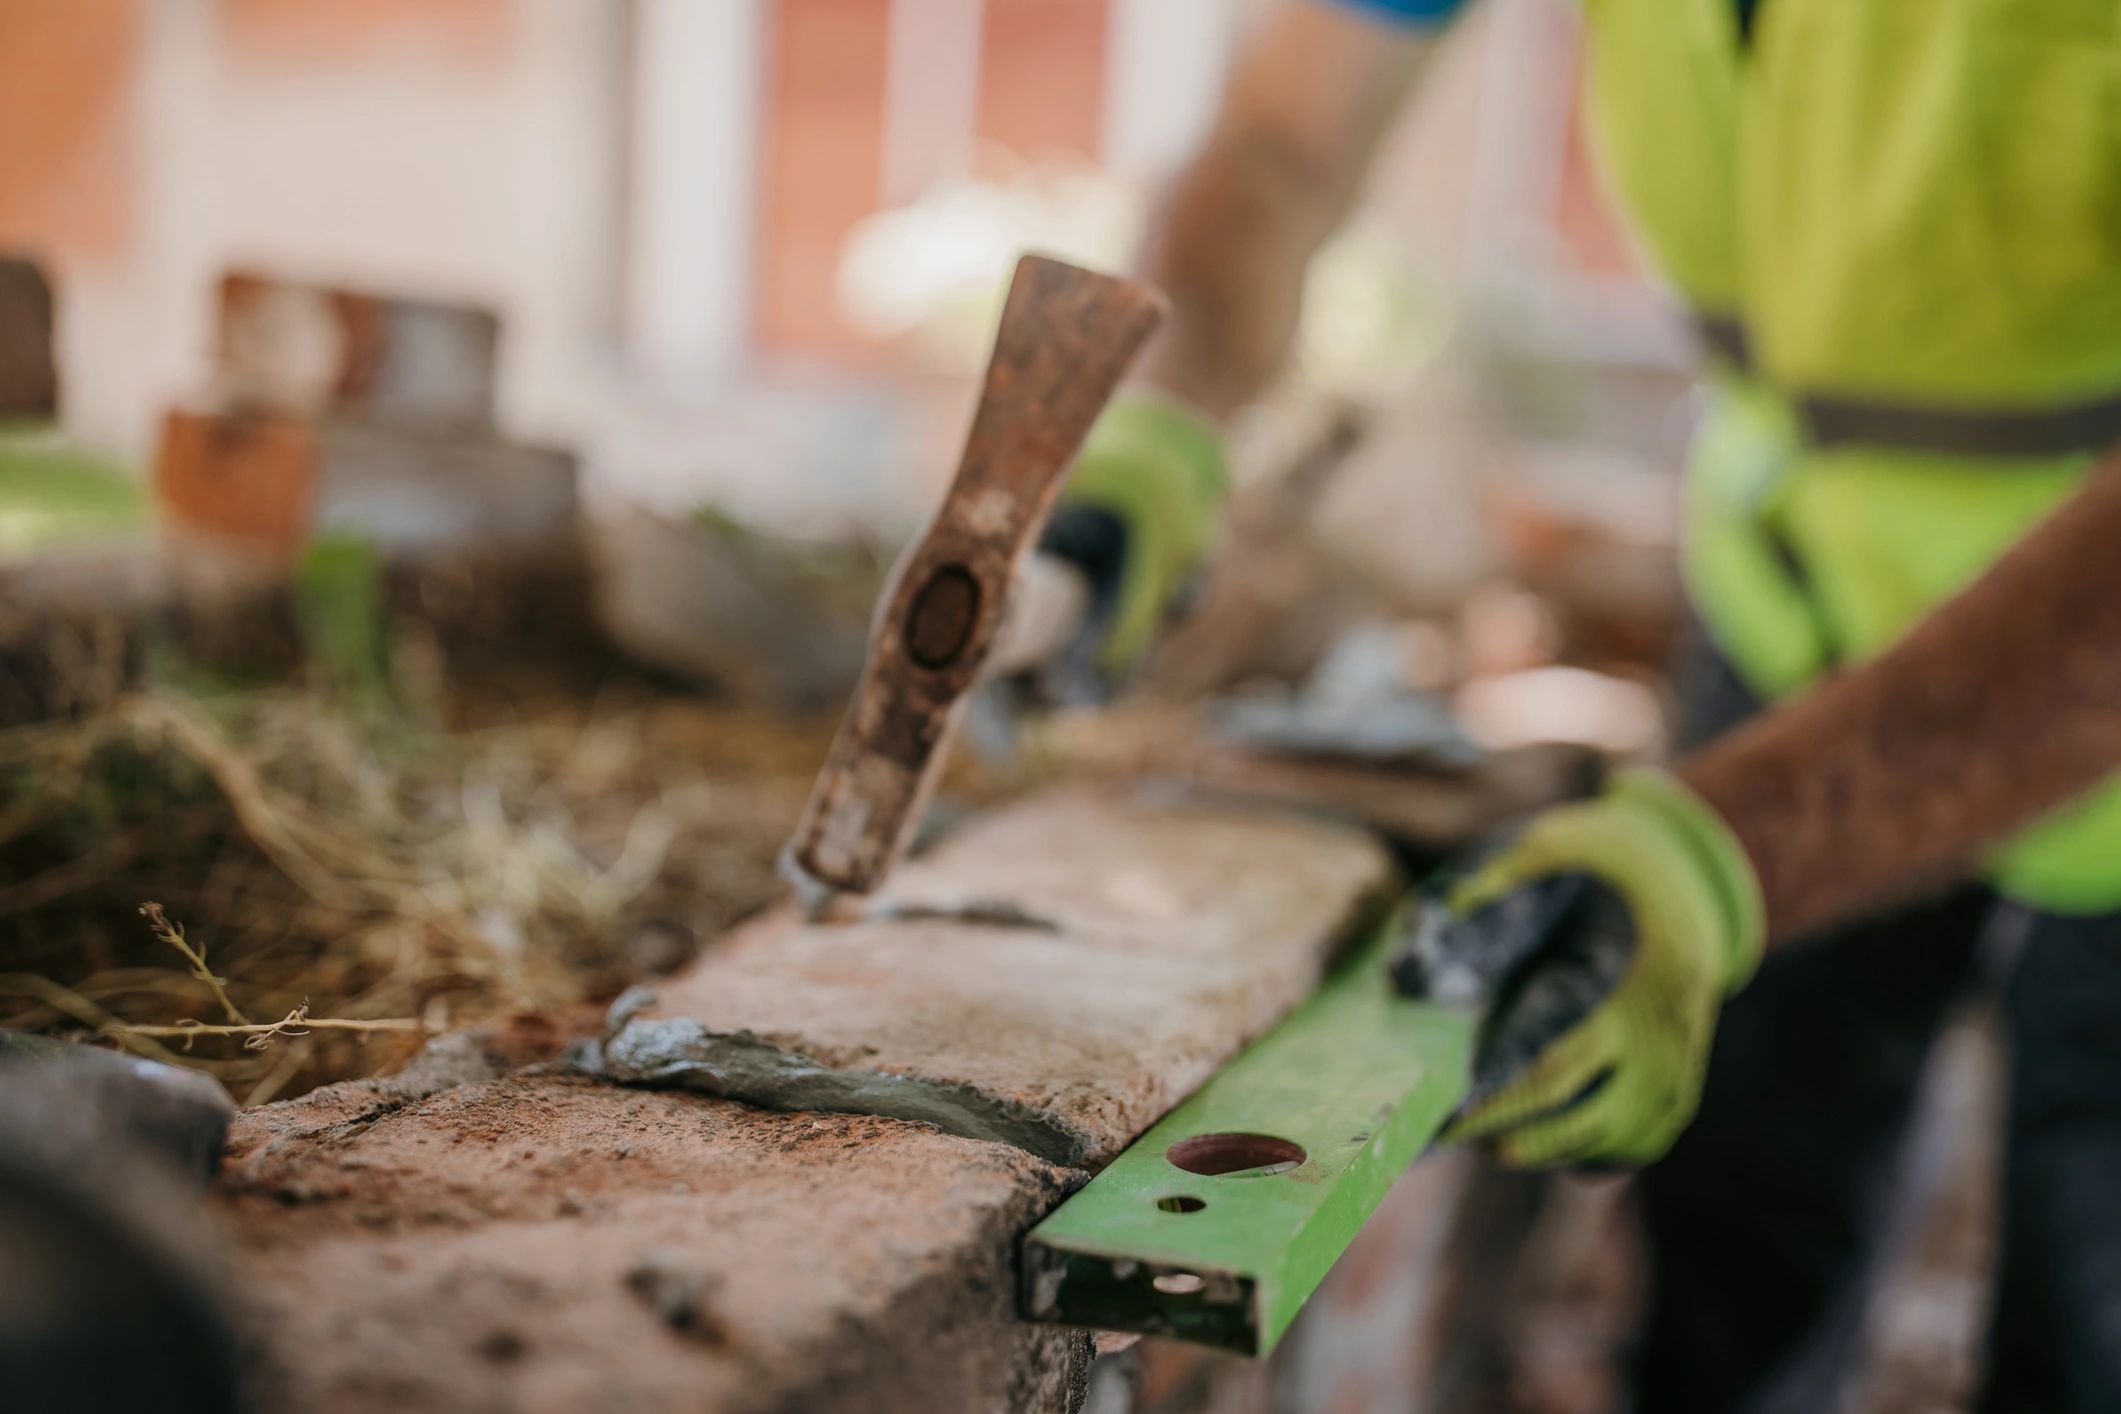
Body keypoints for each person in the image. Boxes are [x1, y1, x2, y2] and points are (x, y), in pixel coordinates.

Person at [1036, 2, 2121, 1410]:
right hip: (1795, 604)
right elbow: (1285, 134)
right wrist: (1160, 417)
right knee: (1741, 1217)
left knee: (2086, 1283)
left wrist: (1716, 857)